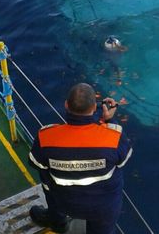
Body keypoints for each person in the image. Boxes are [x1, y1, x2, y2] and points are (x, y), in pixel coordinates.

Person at [28, 83, 133, 234]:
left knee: (44, 170)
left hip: (63, 203)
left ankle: (56, 220)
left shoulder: (46, 136)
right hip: (103, 208)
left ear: (66, 105)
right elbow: (123, 160)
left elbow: (34, 162)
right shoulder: (113, 137)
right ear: (94, 108)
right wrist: (109, 120)